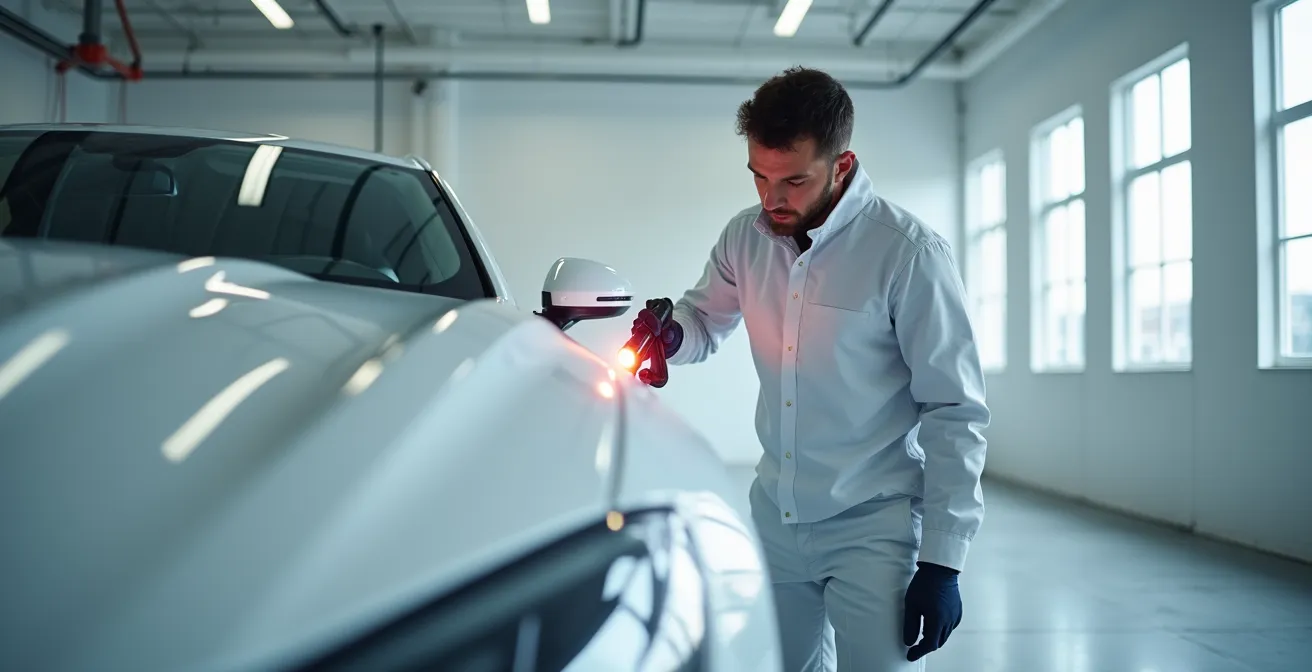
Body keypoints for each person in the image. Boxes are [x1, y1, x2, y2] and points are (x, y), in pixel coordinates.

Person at [628, 66, 990, 671]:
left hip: (874, 525)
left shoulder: (908, 253)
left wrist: (943, 561)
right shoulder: (744, 237)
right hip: (775, 516)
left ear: (842, 165)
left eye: (794, 180)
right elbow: (703, 320)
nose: (772, 199)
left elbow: (954, 408)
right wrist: (671, 334)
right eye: (759, 176)